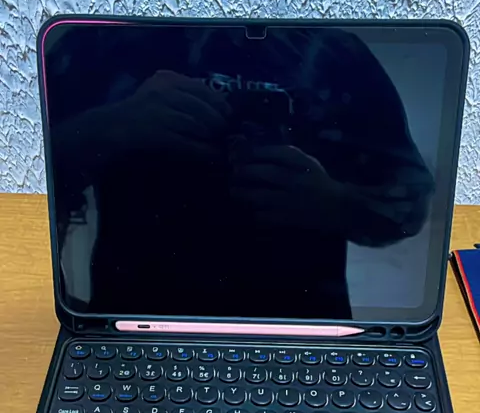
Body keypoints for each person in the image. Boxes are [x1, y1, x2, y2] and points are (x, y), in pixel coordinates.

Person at [45, 24, 434, 319]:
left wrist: (331, 203)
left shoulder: (334, 54)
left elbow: (409, 207)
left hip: (285, 325)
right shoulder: (102, 43)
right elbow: (42, 176)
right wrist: (113, 126)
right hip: (144, 321)